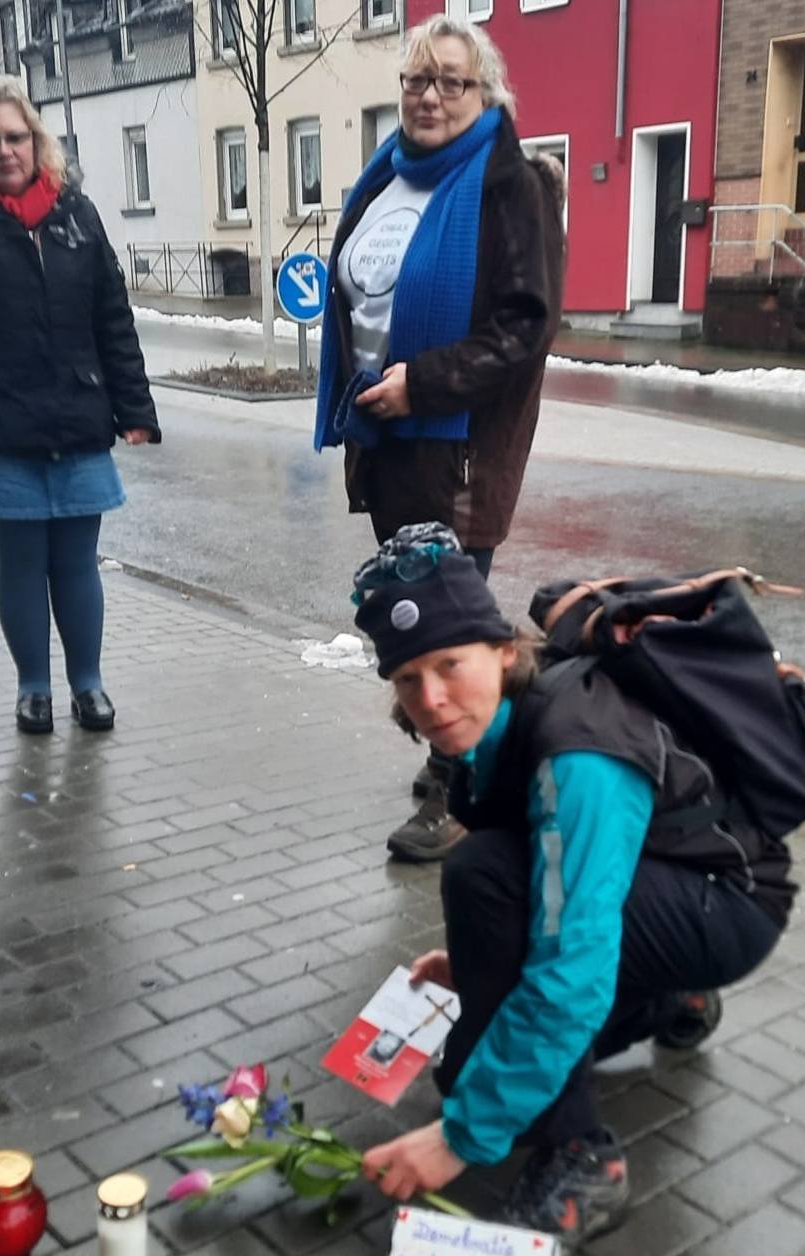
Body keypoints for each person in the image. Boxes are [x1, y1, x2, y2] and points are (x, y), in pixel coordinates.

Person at [351, 526, 791, 1247]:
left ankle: (584, 1157)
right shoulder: (500, 721)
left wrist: (460, 1137)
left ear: (501, 650)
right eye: (406, 678)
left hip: (729, 902)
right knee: (481, 1044)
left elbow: (571, 963)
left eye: (449, 664)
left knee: (481, 883)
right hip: (683, 881)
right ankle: (668, 998)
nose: (430, 697)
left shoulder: (577, 753)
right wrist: (475, 968)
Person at [314, 15, 565, 862]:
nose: (429, 96)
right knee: (414, 617)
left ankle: (462, 791)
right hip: (389, 439)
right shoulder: (388, 178)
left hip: (457, 446)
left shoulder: (509, 184)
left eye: (450, 80)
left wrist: (420, 382)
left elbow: (524, 326)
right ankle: (458, 767)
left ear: (482, 93)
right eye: (416, 80)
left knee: (446, 631)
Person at [0, 77, 160, 735]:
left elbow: (112, 316)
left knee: (76, 562)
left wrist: (134, 406)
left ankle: (89, 685)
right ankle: (34, 689)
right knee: (20, 563)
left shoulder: (77, 213)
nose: (4, 151)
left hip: (77, 417)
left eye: (15, 137)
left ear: (35, 142)